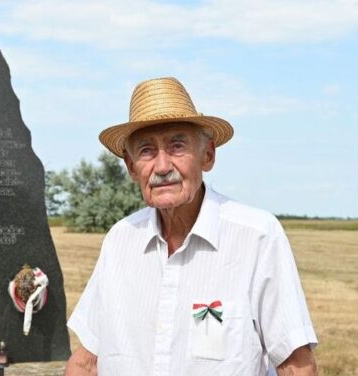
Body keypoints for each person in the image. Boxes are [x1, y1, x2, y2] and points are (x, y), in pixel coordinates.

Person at [65, 77, 318, 376]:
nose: (161, 167)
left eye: (177, 146)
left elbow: (295, 365)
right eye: (146, 150)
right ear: (132, 167)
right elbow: (87, 362)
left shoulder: (257, 236)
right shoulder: (120, 240)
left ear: (207, 155)